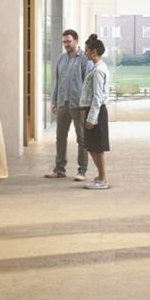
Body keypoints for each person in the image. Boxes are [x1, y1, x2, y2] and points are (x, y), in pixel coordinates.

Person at [45, 29, 89, 179]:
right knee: (60, 137)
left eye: (68, 41)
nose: (66, 44)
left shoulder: (84, 59)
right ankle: (59, 169)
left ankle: (82, 170)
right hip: (63, 103)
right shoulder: (61, 59)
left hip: (78, 105)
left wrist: (85, 106)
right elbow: (57, 81)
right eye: (64, 42)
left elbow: (87, 85)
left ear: (76, 40)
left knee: (81, 139)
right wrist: (54, 100)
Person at [81, 38, 111, 190]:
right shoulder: (98, 66)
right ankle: (101, 177)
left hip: (96, 112)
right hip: (94, 110)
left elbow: (97, 96)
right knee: (93, 146)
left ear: (93, 53)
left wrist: (91, 118)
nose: (84, 52)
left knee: (96, 147)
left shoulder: (98, 70)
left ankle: (102, 179)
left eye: (86, 50)